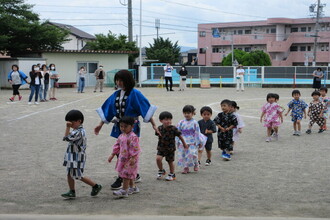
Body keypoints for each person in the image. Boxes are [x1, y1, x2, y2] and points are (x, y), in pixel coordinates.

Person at [94, 70, 158, 190]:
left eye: (121, 80)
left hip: (131, 128)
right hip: (120, 127)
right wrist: (100, 124)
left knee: (130, 152)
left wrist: (154, 125)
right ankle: (128, 174)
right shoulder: (116, 94)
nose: (119, 82)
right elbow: (108, 110)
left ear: (128, 80)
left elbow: (146, 109)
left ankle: (124, 176)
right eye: (117, 80)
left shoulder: (135, 94)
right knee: (120, 151)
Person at [61, 110, 102, 199]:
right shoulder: (77, 130)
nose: (70, 124)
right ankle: (72, 191)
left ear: (79, 121)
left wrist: (67, 128)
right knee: (69, 173)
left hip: (77, 157)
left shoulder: (79, 132)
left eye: (72, 122)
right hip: (72, 156)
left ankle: (95, 186)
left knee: (78, 175)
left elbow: (66, 138)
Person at [108, 116, 141, 198]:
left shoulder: (133, 137)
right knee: (128, 174)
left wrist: (133, 157)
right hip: (122, 158)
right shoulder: (121, 136)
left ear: (132, 126)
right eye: (121, 126)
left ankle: (124, 190)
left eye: (125, 126)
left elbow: (135, 148)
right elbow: (117, 145)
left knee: (125, 174)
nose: (123, 128)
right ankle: (132, 187)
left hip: (130, 159)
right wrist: (112, 154)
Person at [155, 111, 187, 181]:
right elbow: (157, 134)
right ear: (161, 120)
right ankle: (161, 170)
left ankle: (172, 174)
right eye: (166, 119)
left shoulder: (173, 128)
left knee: (170, 161)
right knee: (158, 159)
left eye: (170, 119)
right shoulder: (159, 128)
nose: (168, 121)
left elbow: (180, 136)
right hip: (161, 147)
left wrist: (184, 144)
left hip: (170, 148)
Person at [176, 105, 206, 173]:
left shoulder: (195, 123)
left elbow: (197, 132)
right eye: (185, 113)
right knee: (183, 154)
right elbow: (177, 132)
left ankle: (196, 164)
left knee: (192, 154)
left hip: (192, 141)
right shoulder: (181, 122)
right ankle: (186, 167)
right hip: (183, 141)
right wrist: (177, 140)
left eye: (188, 113)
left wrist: (198, 142)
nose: (186, 115)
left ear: (193, 113)